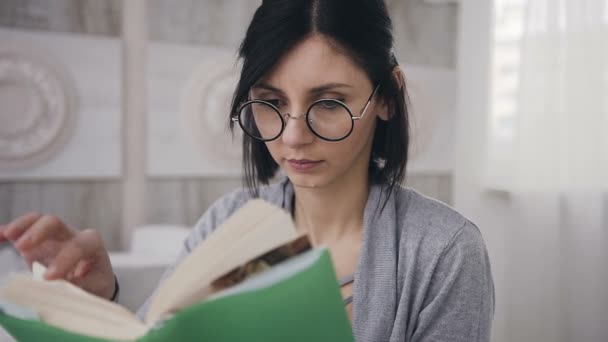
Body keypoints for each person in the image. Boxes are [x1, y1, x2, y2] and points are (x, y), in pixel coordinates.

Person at [0, 0, 494, 341]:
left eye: (328, 102)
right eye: (271, 102)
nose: (294, 135)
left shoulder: (443, 252)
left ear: (386, 96)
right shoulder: (228, 223)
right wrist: (102, 297)